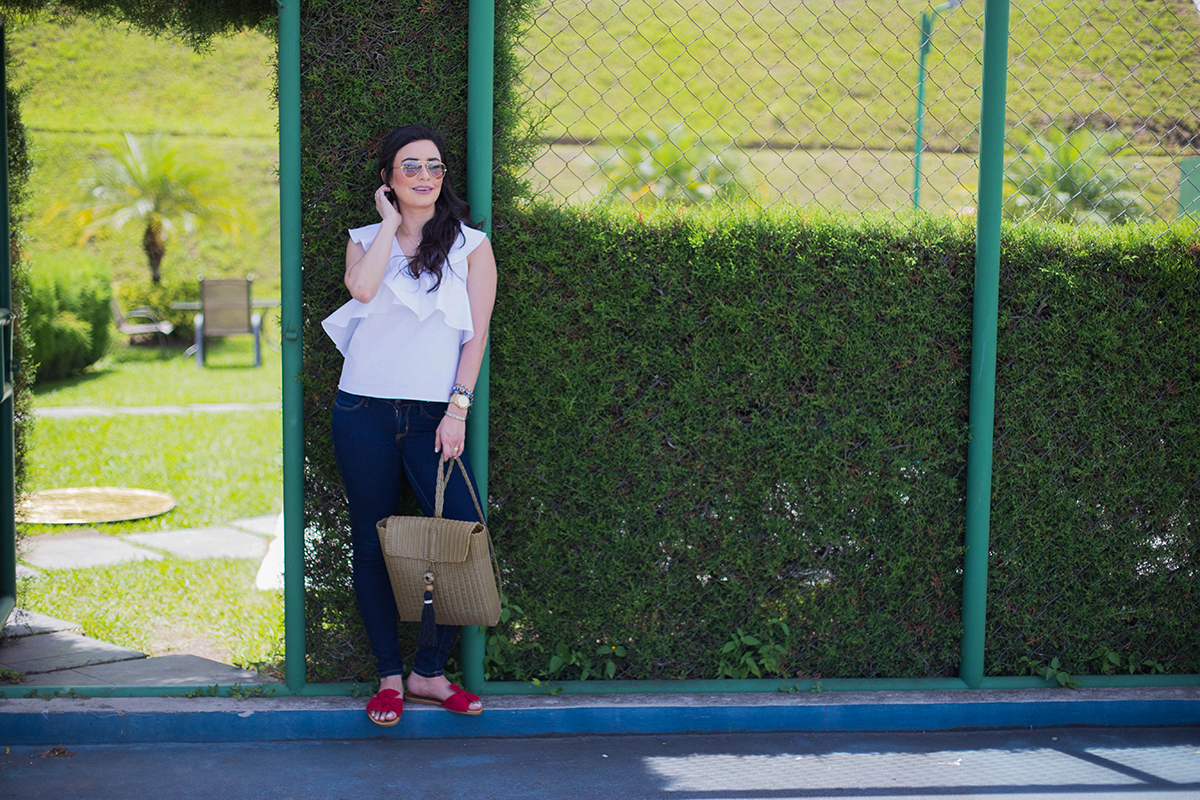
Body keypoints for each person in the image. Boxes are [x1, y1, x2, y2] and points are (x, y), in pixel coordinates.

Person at [322, 125, 496, 726]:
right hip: (361, 410)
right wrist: (388, 224)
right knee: (369, 544)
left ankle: (430, 670)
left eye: (435, 167)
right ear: (390, 178)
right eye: (411, 167)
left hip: (433, 417)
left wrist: (457, 409)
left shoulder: (472, 246)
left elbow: (475, 337)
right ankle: (390, 678)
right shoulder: (365, 240)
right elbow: (363, 289)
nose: (425, 176)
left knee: (459, 538)